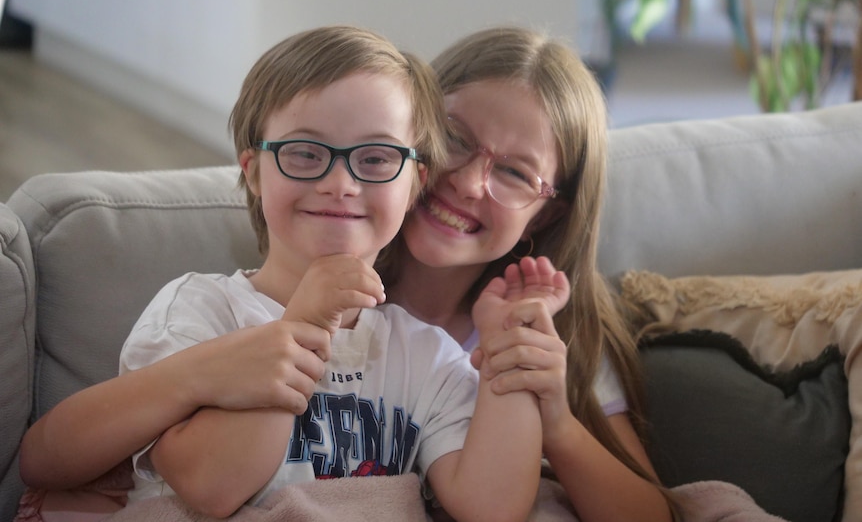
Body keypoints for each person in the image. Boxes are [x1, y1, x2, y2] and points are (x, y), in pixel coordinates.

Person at [19, 26, 673, 522]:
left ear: (411, 176)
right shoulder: (205, 309)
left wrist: (513, 365)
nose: (340, 182)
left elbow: (494, 506)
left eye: (375, 157)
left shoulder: (432, 354)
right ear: (254, 170)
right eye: (308, 153)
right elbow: (208, 487)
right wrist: (304, 324)